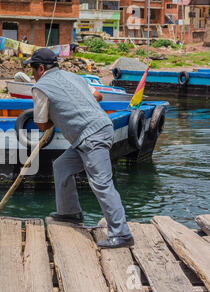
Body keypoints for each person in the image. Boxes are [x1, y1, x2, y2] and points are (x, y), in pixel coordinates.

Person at [23, 48, 133, 248]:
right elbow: (98, 95)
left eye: (33, 69)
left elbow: (41, 124)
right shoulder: (75, 77)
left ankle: (122, 234)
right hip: (97, 130)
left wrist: (56, 116)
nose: (32, 74)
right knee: (61, 166)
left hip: (91, 136)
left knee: (101, 183)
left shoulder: (40, 88)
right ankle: (70, 213)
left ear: (40, 68)